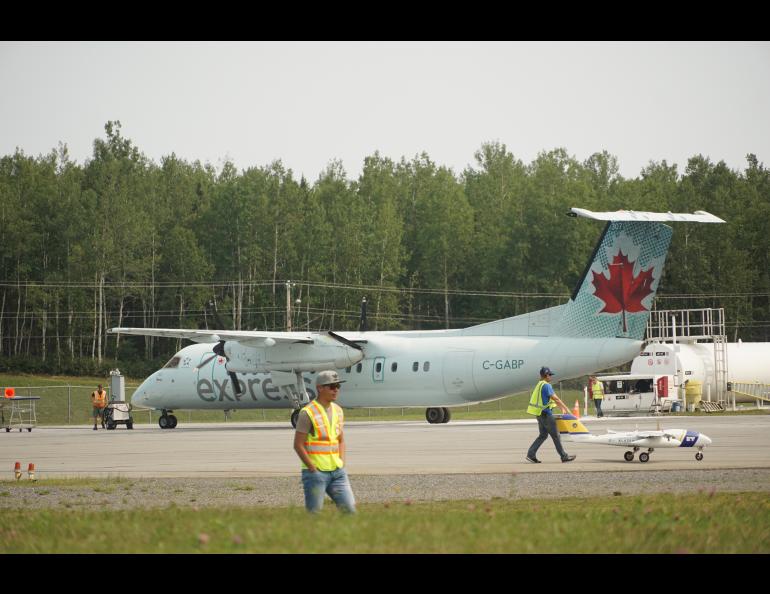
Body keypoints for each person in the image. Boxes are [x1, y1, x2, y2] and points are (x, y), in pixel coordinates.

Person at [293, 370, 356, 514]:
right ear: (320, 388)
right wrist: (312, 468)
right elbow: (298, 444)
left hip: (337, 472)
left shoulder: (338, 411)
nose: (336, 390)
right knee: (314, 514)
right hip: (316, 473)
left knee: (350, 512)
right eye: (332, 386)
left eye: (338, 386)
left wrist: (342, 462)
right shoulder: (307, 413)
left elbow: (340, 440)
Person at [525, 367, 576, 463]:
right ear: (546, 375)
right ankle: (564, 456)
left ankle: (531, 454)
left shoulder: (539, 384)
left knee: (543, 435)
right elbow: (555, 398)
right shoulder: (546, 385)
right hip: (546, 415)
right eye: (550, 375)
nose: (551, 377)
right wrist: (566, 409)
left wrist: (560, 407)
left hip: (539, 414)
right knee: (556, 436)